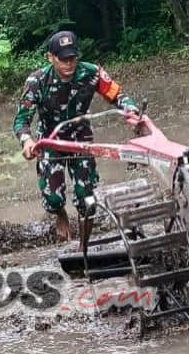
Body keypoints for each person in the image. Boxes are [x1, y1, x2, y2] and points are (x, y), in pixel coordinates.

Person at [13, 30, 140, 246]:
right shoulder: (37, 81)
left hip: (80, 139)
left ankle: (84, 247)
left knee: (86, 197)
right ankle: (61, 214)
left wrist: (133, 112)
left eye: (72, 58)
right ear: (50, 58)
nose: (69, 64)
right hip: (51, 141)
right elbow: (21, 120)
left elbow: (118, 96)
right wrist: (27, 141)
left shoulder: (92, 73)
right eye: (63, 59)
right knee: (52, 199)